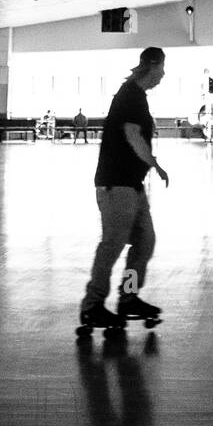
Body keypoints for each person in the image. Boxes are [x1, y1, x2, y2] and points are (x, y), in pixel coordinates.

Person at [78, 48, 169, 333]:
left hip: (131, 184)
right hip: (115, 185)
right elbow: (132, 135)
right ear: (152, 67)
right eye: (162, 69)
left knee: (144, 241)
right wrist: (154, 163)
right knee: (113, 244)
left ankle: (128, 297)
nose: (163, 75)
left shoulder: (137, 96)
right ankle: (92, 305)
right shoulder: (130, 95)